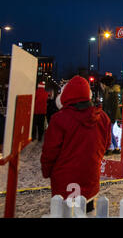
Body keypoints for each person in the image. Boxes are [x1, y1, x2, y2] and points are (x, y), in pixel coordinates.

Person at [40, 75, 111, 213]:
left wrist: (47, 171)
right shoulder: (102, 118)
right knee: (88, 211)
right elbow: (105, 144)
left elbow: (50, 152)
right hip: (90, 178)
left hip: (64, 182)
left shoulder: (59, 119)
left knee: (64, 213)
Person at [100, 76, 121, 155]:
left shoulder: (111, 93)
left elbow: (114, 106)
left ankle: (110, 147)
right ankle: (116, 147)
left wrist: (112, 118)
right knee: (109, 131)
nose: (100, 86)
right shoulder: (107, 92)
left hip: (110, 116)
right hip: (108, 116)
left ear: (104, 84)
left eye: (101, 84)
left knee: (108, 132)